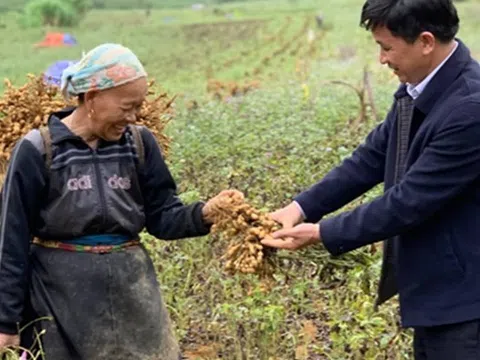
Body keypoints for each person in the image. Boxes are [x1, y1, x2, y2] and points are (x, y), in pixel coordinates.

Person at [262, 0, 480, 358]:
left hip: (466, 300)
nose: (382, 59)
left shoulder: (470, 108)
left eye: (387, 47)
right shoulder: (419, 89)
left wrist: (323, 233)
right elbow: (370, 159)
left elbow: (409, 201)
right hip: (436, 291)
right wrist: (299, 208)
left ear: (426, 41)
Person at [0, 43, 241, 360]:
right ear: (92, 98)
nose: (134, 116)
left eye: (138, 106)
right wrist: (6, 321)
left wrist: (206, 213)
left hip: (133, 293)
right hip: (58, 296)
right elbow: (11, 242)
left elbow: (163, 217)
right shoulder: (38, 150)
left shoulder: (140, 144)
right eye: (126, 107)